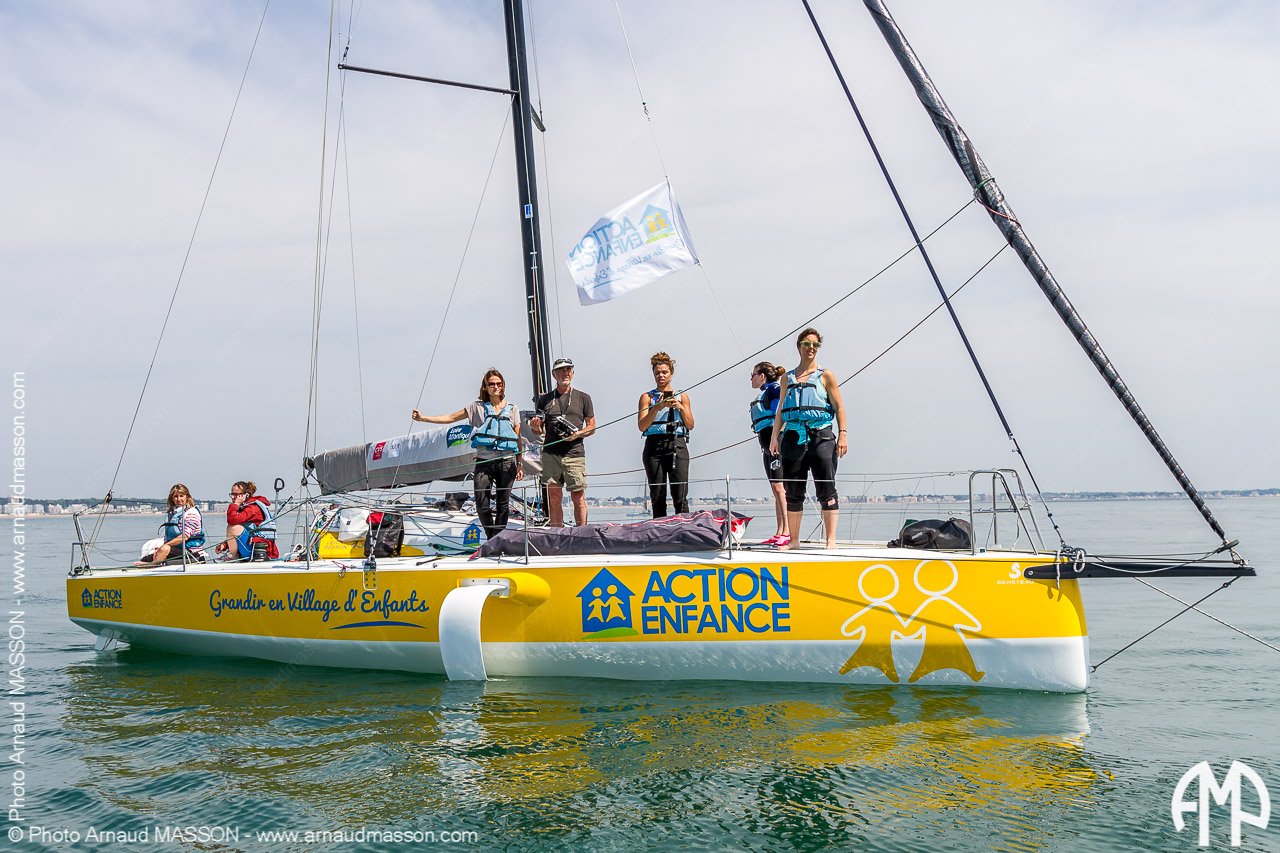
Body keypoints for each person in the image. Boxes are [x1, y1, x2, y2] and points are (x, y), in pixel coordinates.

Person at [413, 368, 525, 540]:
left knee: (503, 505)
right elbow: (451, 418)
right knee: (482, 505)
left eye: (499, 384)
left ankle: (495, 543)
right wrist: (423, 418)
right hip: (484, 461)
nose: (495, 387)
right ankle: (492, 539)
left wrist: (520, 464)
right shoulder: (476, 407)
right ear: (485, 387)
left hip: (506, 462)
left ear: (503, 386)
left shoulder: (512, 409)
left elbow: (517, 438)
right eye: (491, 384)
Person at [769, 328, 848, 549]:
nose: (811, 348)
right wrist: (774, 437)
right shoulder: (787, 378)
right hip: (793, 436)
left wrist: (843, 434)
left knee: (826, 487)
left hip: (821, 435)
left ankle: (831, 540)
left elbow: (839, 407)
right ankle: (794, 541)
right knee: (793, 491)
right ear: (799, 347)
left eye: (815, 344)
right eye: (807, 344)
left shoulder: (826, 375)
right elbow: (781, 410)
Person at [530, 357, 595, 527]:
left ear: (572, 373)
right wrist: (535, 427)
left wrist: (577, 434)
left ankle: (582, 534)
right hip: (551, 455)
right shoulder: (544, 400)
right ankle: (556, 534)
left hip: (575, 454)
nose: (565, 373)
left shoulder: (584, 398)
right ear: (554, 374)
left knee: (578, 497)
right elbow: (538, 431)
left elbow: (592, 426)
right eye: (561, 370)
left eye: (568, 370)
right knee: (554, 498)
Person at [637, 352, 694, 518]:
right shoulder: (647, 397)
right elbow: (642, 426)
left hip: (677, 444)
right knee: (657, 495)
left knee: (680, 494)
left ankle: (683, 527)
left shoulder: (682, 396)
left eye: (664, 372)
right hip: (654, 446)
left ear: (671, 373)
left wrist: (680, 407)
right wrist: (656, 408)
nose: (661, 376)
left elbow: (690, 425)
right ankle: (659, 528)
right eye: (657, 373)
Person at [749, 361, 789, 546]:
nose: (751, 379)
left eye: (753, 375)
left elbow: (783, 406)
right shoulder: (764, 392)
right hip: (766, 445)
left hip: (776, 442)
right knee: (775, 487)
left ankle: (787, 531)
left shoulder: (773, 388)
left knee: (780, 487)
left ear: (762, 376)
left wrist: (778, 435)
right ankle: (779, 531)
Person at [136, 483, 206, 565]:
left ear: (187, 497)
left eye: (181, 496)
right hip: (174, 551)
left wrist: (164, 547)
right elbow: (167, 537)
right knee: (144, 559)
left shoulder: (192, 513)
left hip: (191, 553)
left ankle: (152, 566)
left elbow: (184, 537)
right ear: (172, 498)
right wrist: (160, 550)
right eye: (176, 496)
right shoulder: (171, 514)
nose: (179, 499)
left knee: (164, 549)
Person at [216, 481, 278, 561]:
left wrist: (235, 505)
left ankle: (232, 556)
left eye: (236, 494)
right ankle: (231, 554)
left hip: (260, 551)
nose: (232, 497)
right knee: (233, 527)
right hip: (251, 548)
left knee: (232, 527)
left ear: (246, 495)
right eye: (232, 494)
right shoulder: (247, 507)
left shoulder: (252, 509)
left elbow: (232, 520)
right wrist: (225, 545)